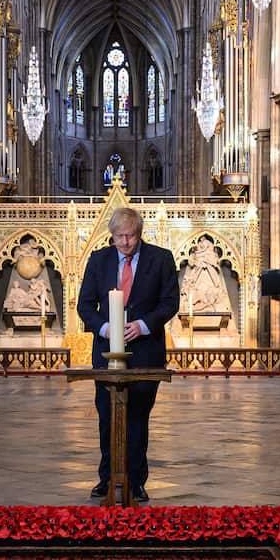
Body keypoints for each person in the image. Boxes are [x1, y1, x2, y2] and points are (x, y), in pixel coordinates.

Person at [77, 206, 179, 504]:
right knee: (106, 416)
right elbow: (84, 305)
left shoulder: (161, 259)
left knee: (137, 417)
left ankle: (136, 481)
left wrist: (144, 325)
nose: (125, 243)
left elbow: (170, 302)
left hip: (146, 352)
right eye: (119, 237)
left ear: (140, 233)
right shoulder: (99, 260)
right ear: (111, 235)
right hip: (107, 352)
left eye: (130, 237)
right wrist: (106, 327)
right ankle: (106, 477)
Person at [183, 234, 231, 312]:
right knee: (196, 292)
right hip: (198, 275)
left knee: (213, 293)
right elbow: (191, 263)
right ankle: (200, 304)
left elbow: (214, 263)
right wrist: (199, 262)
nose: (203, 246)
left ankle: (207, 304)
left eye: (206, 246)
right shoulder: (196, 255)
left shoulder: (211, 255)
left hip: (209, 277)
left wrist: (207, 261)